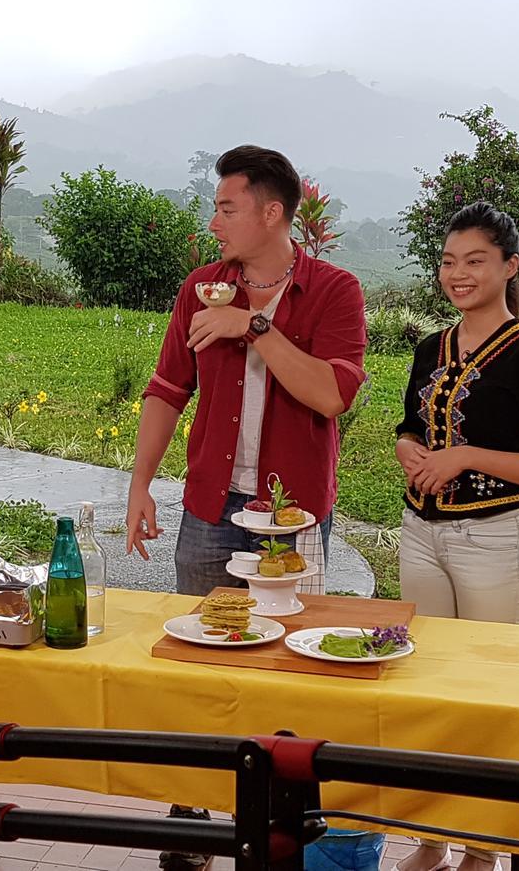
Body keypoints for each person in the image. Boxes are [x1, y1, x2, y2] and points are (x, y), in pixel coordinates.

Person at [124, 145, 367, 871]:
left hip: (290, 521)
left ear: (271, 212)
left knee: (287, 661)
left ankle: (278, 814)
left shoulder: (334, 291)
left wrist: (256, 328)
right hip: (208, 509)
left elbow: (331, 394)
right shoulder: (201, 287)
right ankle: (194, 809)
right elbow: (168, 389)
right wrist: (139, 486)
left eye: (227, 207)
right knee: (200, 661)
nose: (215, 220)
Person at [393, 202, 519, 871]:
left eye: (475, 261)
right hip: (419, 534)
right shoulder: (430, 347)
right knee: (429, 688)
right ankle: (432, 838)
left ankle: (482, 846)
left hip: (494, 539)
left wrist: (467, 458)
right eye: (448, 261)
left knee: (488, 695)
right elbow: (408, 427)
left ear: (510, 266)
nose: (458, 274)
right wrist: (412, 453)